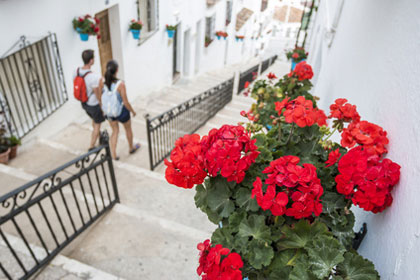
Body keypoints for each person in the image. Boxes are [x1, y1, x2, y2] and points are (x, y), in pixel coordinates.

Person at [101, 60, 140, 160]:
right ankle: (131, 148)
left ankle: (113, 154)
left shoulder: (102, 83)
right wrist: (133, 111)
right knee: (128, 129)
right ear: (117, 70)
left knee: (115, 131)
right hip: (122, 112)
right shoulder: (120, 84)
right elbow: (125, 102)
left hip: (110, 113)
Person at [74, 50, 104, 151]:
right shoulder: (94, 77)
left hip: (84, 103)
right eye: (94, 58)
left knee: (94, 120)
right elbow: (97, 92)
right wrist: (101, 105)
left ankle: (100, 137)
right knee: (97, 124)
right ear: (91, 61)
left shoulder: (77, 71)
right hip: (93, 105)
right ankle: (91, 146)